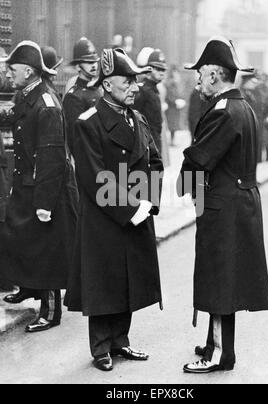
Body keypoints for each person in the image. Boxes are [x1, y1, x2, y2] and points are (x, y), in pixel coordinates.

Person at [65, 48, 164, 372]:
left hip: (133, 211)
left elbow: (153, 162)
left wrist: (149, 202)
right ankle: (101, 347)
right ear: (107, 85)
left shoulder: (137, 118)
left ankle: (121, 340)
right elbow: (94, 176)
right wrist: (131, 208)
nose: (134, 86)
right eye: (127, 81)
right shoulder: (88, 123)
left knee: (129, 280)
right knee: (103, 283)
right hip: (105, 218)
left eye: (135, 80)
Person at [177, 36, 268, 374]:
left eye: (200, 74)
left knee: (219, 280)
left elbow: (199, 159)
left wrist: (184, 185)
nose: (197, 80)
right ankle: (213, 342)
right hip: (238, 202)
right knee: (223, 278)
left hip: (223, 206)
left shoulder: (222, 111)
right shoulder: (241, 106)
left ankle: (219, 354)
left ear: (215, 75)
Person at [0, 41, 79, 333]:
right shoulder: (28, 95)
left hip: (46, 189)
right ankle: (30, 289)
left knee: (46, 250)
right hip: (28, 184)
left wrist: (45, 203)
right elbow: (11, 117)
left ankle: (51, 310)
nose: (9, 74)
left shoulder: (46, 104)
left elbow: (51, 157)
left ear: (30, 71)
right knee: (24, 241)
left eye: (13, 69)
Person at [63, 37, 102, 157]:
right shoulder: (74, 96)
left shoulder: (98, 90)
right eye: (89, 62)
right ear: (78, 67)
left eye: (95, 61)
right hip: (88, 159)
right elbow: (76, 138)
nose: (94, 65)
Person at [134, 48, 167, 154]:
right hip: (144, 147)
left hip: (154, 144)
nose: (161, 72)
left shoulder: (154, 90)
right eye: (157, 69)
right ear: (149, 69)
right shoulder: (141, 90)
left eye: (163, 70)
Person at [165, 65, 185, 146]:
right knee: (171, 124)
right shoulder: (170, 83)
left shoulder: (176, 83)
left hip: (175, 107)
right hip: (171, 107)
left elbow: (178, 94)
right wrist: (175, 101)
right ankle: (171, 141)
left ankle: (172, 140)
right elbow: (169, 95)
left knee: (174, 124)